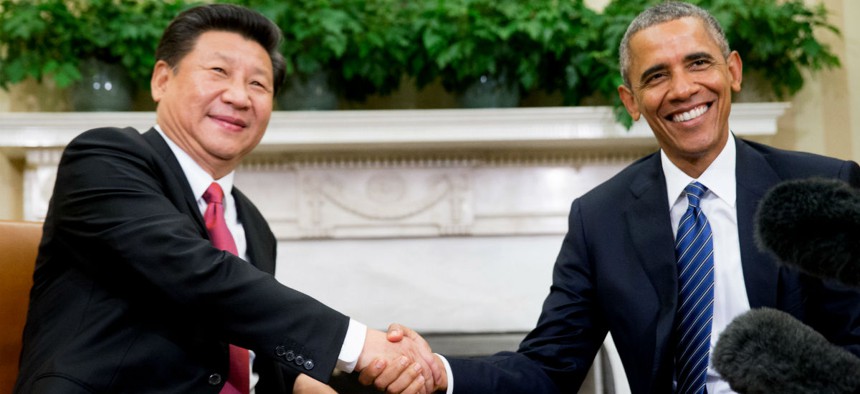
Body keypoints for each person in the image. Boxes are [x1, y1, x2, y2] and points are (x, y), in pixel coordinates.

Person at [362, 1, 860, 393]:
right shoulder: (599, 219)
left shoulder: (823, 187)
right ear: (632, 102)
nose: (683, 89)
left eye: (698, 63)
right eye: (656, 76)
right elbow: (549, 367)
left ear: (732, 71)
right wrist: (440, 373)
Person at [13, 4, 437, 394]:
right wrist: (360, 344)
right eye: (218, 71)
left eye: (258, 83)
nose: (239, 96)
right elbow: (196, 276)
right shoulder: (104, 158)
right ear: (162, 79)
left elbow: (241, 332)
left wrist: (302, 381)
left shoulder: (251, 223)